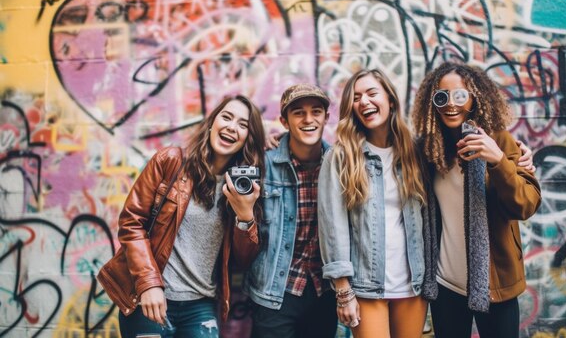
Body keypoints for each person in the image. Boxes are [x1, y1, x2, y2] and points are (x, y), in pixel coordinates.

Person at [97, 96, 265, 338]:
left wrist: (245, 215)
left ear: (248, 138)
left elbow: (242, 261)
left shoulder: (244, 187)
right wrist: (149, 283)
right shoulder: (170, 161)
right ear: (211, 123)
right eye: (226, 117)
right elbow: (131, 222)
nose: (231, 127)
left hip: (201, 306)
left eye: (242, 124)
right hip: (151, 297)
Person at [412, 62, 542, 338]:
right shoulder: (427, 150)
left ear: (474, 98)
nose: (451, 104)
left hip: (495, 283)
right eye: (441, 97)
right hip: (445, 284)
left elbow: (525, 204)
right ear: (431, 102)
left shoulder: (497, 140)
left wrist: (497, 160)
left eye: (460, 95)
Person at [317, 69, 429, 338]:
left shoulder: (416, 152)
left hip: (413, 285)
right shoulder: (341, 157)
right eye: (356, 98)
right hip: (367, 287)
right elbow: (333, 227)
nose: (364, 101)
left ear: (390, 100)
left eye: (371, 93)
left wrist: (513, 155)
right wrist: (343, 291)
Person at [245, 83, 338, 338]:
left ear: (326, 118)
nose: (308, 119)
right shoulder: (264, 164)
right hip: (276, 291)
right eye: (298, 112)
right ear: (284, 121)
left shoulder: (339, 165)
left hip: (323, 291)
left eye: (316, 111)